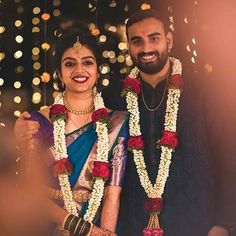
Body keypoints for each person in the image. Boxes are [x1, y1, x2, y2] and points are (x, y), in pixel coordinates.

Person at [15, 9, 236, 236]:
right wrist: (22, 128)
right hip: (130, 225)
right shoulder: (115, 97)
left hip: (196, 222)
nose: (146, 48)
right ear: (129, 46)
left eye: (154, 38)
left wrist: (225, 223)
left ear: (169, 40)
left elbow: (229, 158)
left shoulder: (206, 92)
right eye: (137, 41)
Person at [14, 29, 129, 236]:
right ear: (59, 72)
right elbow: (31, 190)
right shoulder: (38, 122)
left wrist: (105, 233)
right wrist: (86, 230)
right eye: (69, 63)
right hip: (45, 226)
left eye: (87, 62)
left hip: (96, 221)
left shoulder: (116, 122)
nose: (79, 70)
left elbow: (113, 192)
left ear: (98, 69)